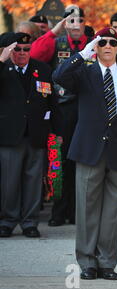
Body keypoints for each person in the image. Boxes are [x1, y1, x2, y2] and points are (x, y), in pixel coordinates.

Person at [53, 27, 117, 280]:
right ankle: (87, 261)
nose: (107, 46)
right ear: (96, 45)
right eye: (101, 42)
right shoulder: (84, 72)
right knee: (86, 208)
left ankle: (107, 263)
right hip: (89, 150)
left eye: (112, 42)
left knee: (113, 211)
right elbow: (59, 76)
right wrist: (83, 53)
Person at [31, 6, 94, 227]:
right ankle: (59, 210)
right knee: (59, 162)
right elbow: (34, 54)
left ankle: (78, 210)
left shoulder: (95, 43)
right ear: (65, 23)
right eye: (71, 20)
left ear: (86, 23)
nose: (75, 25)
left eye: (80, 20)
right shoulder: (56, 43)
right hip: (62, 111)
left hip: (87, 111)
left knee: (82, 162)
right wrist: (55, 31)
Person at [0, 33, 53, 238]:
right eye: (17, 49)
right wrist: (2, 59)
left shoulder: (43, 69)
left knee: (33, 181)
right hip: (10, 135)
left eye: (26, 49)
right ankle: (7, 220)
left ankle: (30, 222)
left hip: (35, 134)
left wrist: (55, 131)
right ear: (9, 51)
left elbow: (51, 101)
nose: (22, 53)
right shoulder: (3, 68)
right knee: (9, 181)